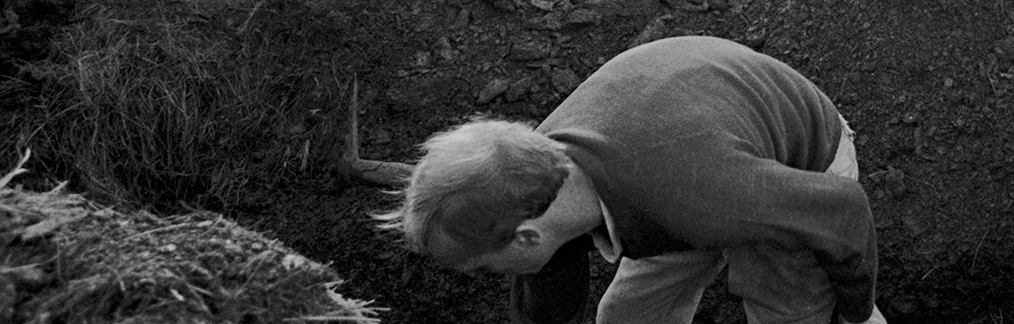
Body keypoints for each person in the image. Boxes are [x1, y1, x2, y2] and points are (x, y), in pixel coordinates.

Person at [379, 35, 886, 324]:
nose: (499, 277)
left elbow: (842, 212)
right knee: (628, 317)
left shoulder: (697, 197)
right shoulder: (534, 179)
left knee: (785, 309)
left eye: (490, 269)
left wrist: (854, 313)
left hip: (799, 167)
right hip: (696, 156)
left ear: (526, 237)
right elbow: (549, 275)